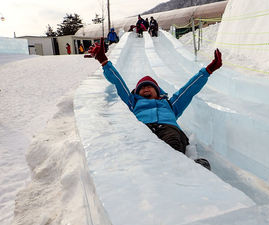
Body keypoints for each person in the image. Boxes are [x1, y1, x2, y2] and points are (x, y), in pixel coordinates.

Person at [87, 38, 222, 169]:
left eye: (149, 87)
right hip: (143, 129)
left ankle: (184, 168)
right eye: (141, 88)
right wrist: (104, 61)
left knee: (173, 141)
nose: (145, 89)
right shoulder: (133, 102)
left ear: (158, 92)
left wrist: (207, 71)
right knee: (142, 147)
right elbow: (118, 82)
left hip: (168, 128)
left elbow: (188, 90)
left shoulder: (170, 104)